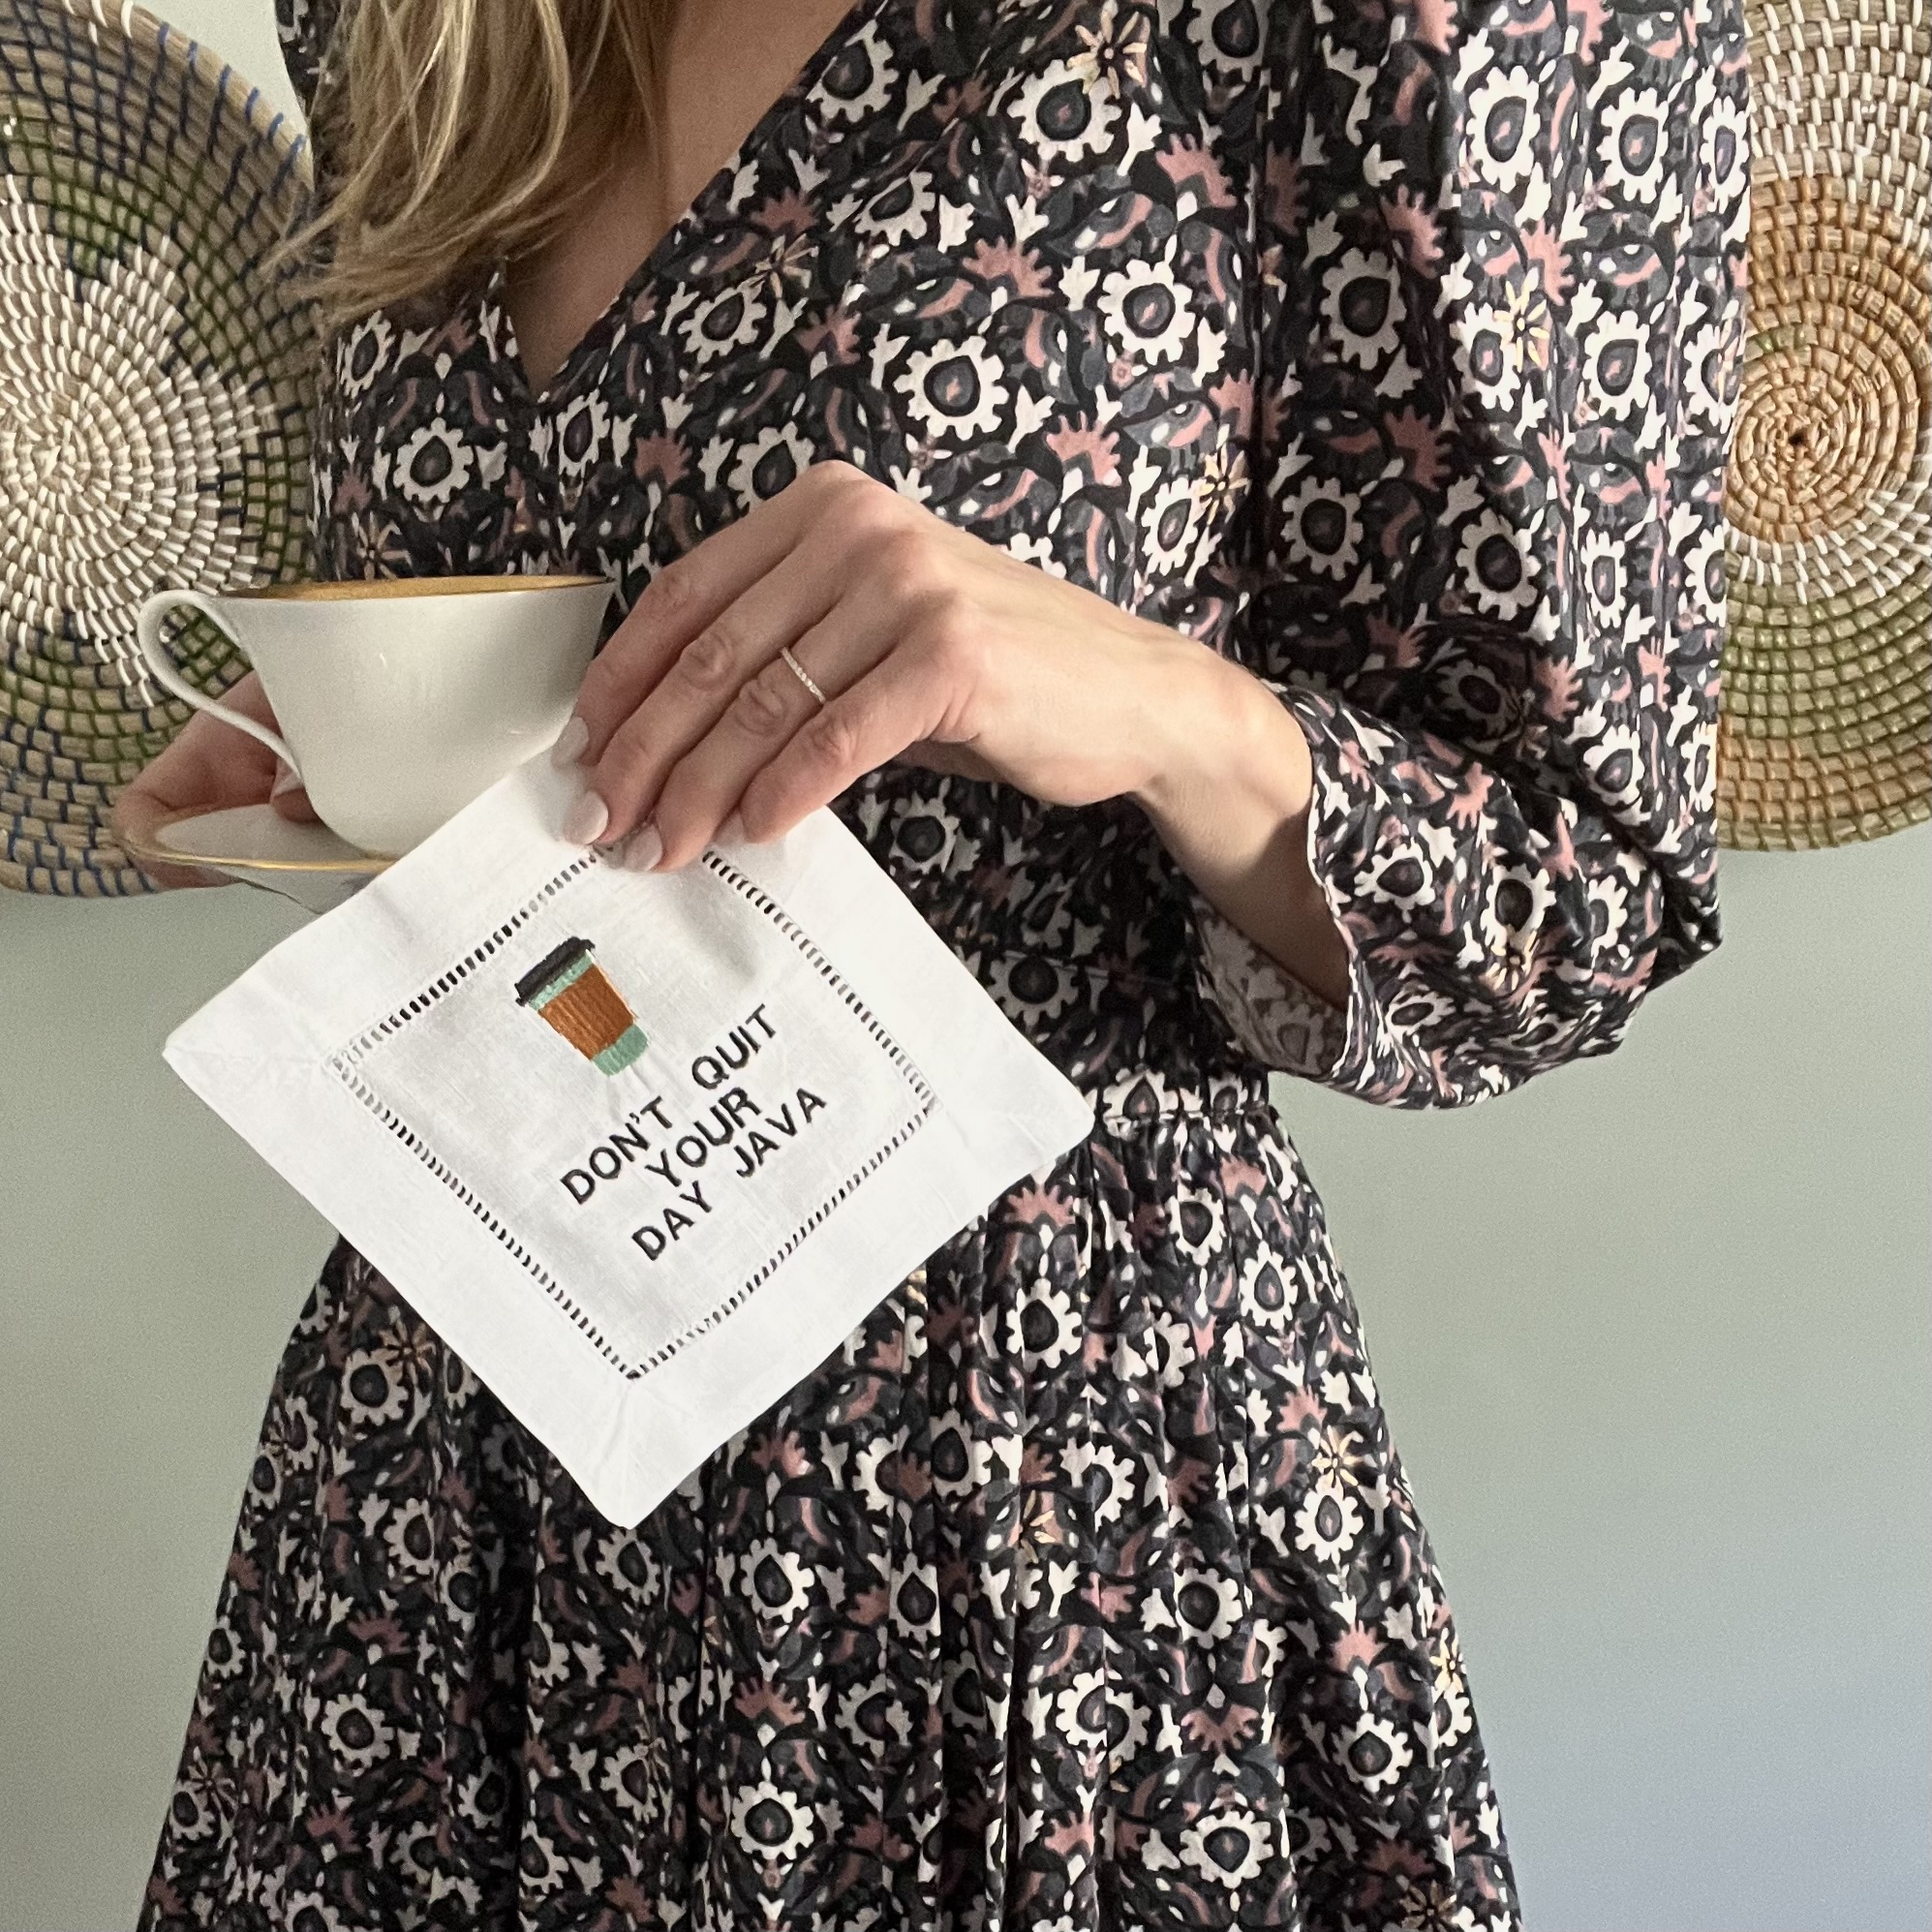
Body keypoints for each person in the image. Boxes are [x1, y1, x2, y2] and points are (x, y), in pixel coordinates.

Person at [120, 0, 1747, 1923]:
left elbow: (1572, 897)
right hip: (463, 1458)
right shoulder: (407, 26)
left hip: (1030, 1486)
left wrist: (1158, 705)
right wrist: (372, 762)